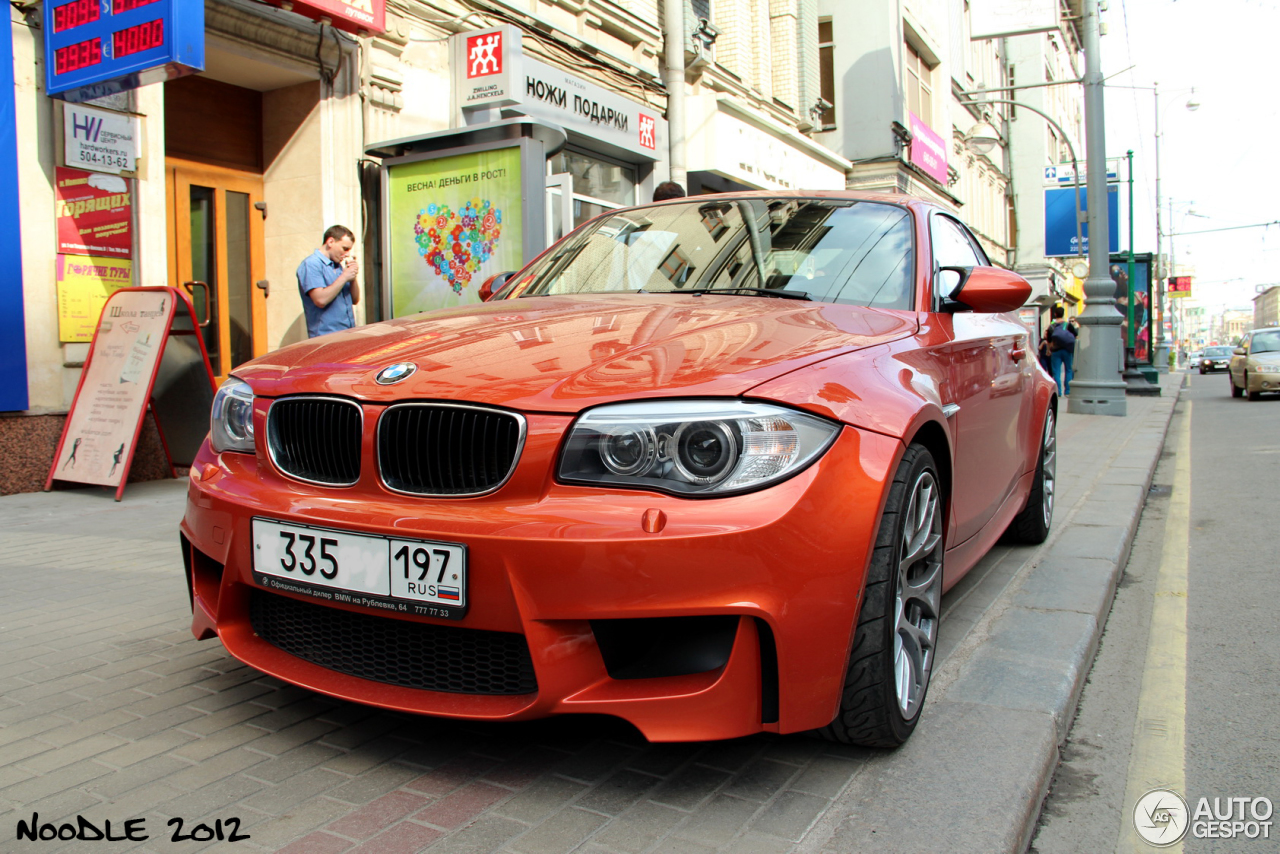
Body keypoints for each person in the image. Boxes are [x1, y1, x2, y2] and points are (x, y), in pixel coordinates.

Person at [298, 225, 360, 338]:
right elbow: (320, 300)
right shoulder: (311, 264)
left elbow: (355, 300)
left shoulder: (337, 266)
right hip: (326, 338)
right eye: (344, 248)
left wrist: (352, 277)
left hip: (347, 334)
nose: (347, 254)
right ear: (330, 242)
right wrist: (344, 277)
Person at [1047, 305, 1076, 396]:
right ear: (1063, 314)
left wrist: (1048, 350)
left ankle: (1058, 392)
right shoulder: (1068, 325)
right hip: (1067, 350)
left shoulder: (1052, 326)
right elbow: (1075, 335)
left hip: (1056, 351)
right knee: (1068, 370)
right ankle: (1067, 391)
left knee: (1056, 372)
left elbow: (1048, 340)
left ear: (1055, 314)